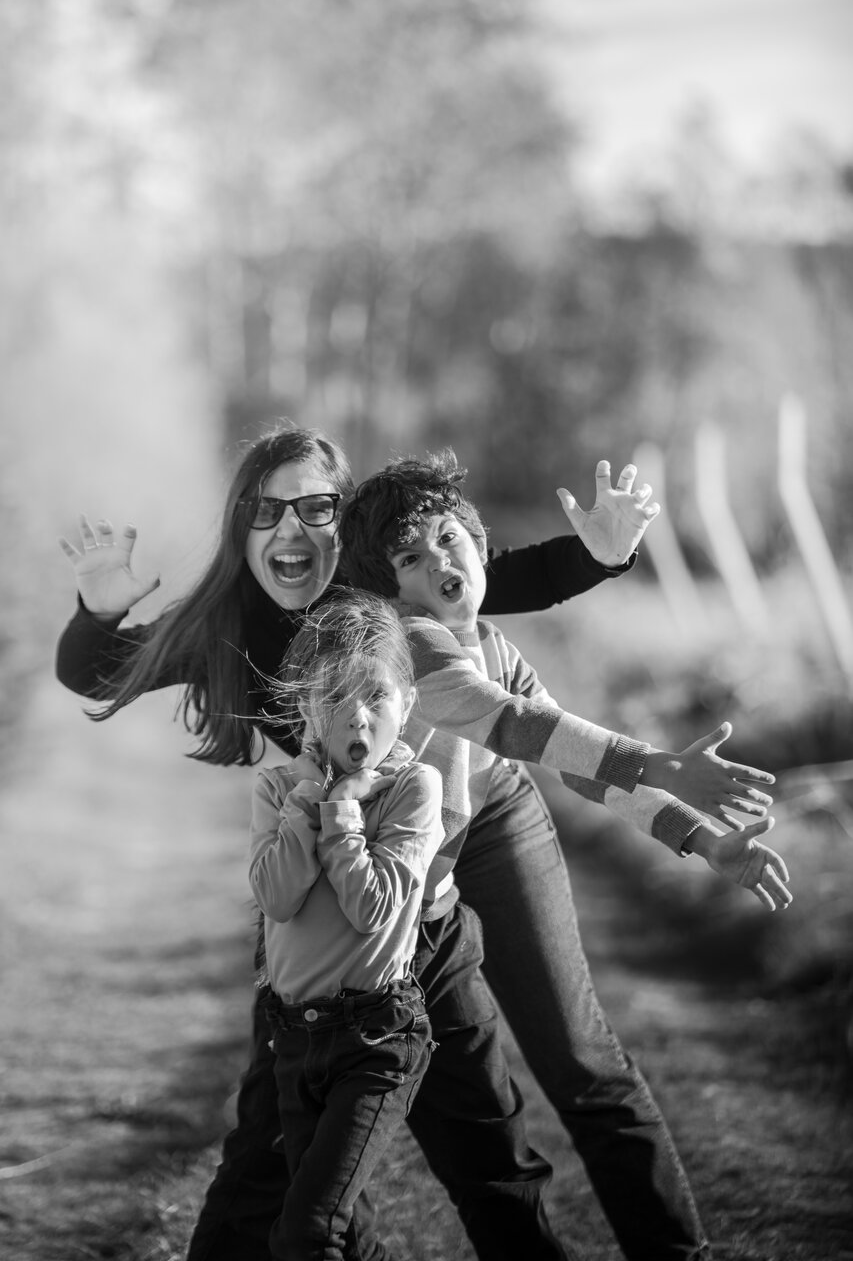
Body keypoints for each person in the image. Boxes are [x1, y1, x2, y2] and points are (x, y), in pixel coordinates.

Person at [56, 422, 646, 1261]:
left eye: (315, 507)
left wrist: (601, 555)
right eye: (265, 510)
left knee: (535, 1082)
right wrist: (99, 607)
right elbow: (97, 668)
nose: (290, 527)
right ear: (241, 527)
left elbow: (504, 575)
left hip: (472, 822)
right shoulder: (226, 622)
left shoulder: (382, 589)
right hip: (334, 859)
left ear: (346, 521)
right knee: (290, 1102)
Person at [336, 449, 794, 1261]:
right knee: (469, 1107)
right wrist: (657, 761)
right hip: (408, 885)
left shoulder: (491, 641)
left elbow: (573, 763)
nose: (439, 562)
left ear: (479, 545)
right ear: (390, 587)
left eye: (449, 539)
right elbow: (514, 725)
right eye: (410, 557)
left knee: (585, 1063)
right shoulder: (404, 644)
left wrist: (697, 837)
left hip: (495, 825)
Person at [249, 589, 444, 1260]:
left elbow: (371, 908)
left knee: (307, 1234)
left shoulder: (413, 788)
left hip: (375, 1039)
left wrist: (345, 813)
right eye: (334, 697)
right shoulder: (277, 790)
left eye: (377, 696)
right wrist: (312, 799)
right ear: (307, 706)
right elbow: (277, 898)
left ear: (406, 705)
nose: (358, 716)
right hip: (294, 1041)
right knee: (346, 1236)